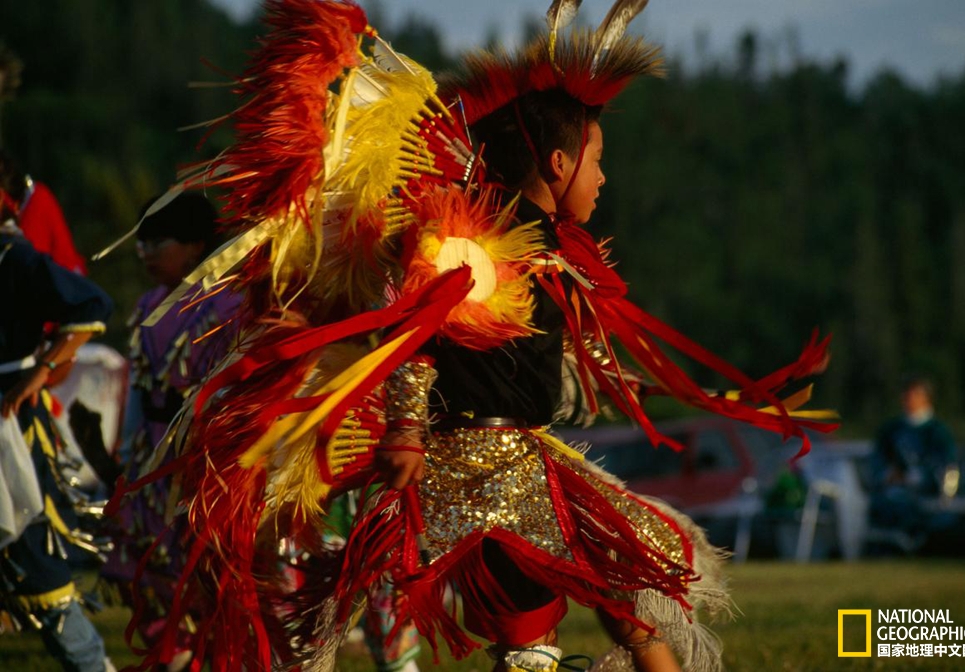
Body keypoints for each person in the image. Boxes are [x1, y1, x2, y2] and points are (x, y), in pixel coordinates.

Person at [109, 2, 834, 671]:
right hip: (484, 472)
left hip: (528, 459)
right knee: (562, 630)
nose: (605, 178)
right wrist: (402, 431)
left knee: (631, 606)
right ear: (557, 164)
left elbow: (581, 374)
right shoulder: (474, 245)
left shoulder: (547, 254)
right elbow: (411, 336)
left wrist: (734, 395)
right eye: (598, 160)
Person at [92, 193, 241, 671]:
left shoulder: (231, 303)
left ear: (196, 245)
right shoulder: (149, 306)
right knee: (155, 575)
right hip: (150, 461)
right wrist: (125, 464)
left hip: (203, 462)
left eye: (158, 242)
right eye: (141, 243)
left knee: (209, 579)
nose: (145, 253)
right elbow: (137, 392)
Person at [0, 161, 114, 671]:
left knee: (37, 567)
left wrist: (42, 369)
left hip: (11, 432)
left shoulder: (13, 255)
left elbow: (91, 303)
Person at [869, 376, 957, 551]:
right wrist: (888, 475)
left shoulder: (938, 431)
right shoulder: (892, 429)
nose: (909, 400)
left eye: (915, 395)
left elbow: (946, 466)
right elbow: (878, 460)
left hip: (927, 494)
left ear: (926, 398)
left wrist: (914, 478)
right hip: (893, 492)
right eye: (906, 395)